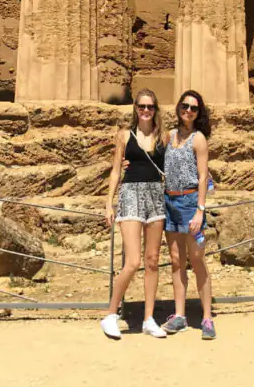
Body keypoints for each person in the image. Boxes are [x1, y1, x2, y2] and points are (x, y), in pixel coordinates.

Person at [100, 89, 168, 339]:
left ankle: (149, 318)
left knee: (152, 260)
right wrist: (109, 203)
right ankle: (110, 314)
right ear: (135, 108)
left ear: (155, 109)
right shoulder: (123, 136)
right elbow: (116, 171)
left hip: (155, 197)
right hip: (130, 195)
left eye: (150, 107)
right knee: (133, 262)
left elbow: (172, 164)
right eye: (142, 107)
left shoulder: (164, 137)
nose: (146, 111)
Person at [161, 90, 216, 340]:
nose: (189, 111)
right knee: (175, 259)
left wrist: (199, 210)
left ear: (198, 113)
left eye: (194, 108)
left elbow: (203, 176)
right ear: (178, 107)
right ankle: (180, 316)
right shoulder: (168, 136)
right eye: (185, 106)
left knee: (197, 260)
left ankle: (207, 317)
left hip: (190, 202)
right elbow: (152, 159)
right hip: (169, 201)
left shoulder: (199, 139)